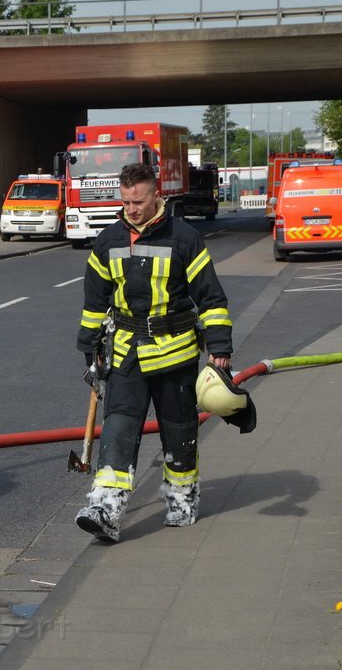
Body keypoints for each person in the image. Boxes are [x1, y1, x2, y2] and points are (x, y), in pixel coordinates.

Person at [74, 163, 234, 543]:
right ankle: (106, 509)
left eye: (139, 201)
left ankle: (182, 500)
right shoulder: (108, 240)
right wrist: (89, 345)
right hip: (126, 352)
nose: (131, 209)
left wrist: (220, 347)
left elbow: (211, 297)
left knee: (178, 431)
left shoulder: (185, 238)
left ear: (156, 194)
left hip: (175, 352)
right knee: (118, 426)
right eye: (126, 201)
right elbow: (95, 300)